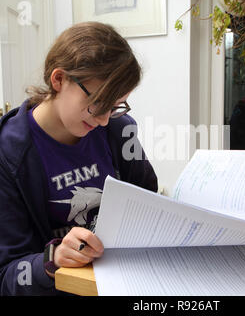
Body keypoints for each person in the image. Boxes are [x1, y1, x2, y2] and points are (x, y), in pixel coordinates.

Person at [0, 22, 158, 295]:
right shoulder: (9, 155)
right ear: (59, 79)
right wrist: (52, 260)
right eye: (98, 103)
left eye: (115, 106)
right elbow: (8, 277)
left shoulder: (118, 130)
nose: (105, 119)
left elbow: (148, 199)